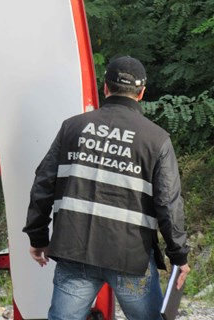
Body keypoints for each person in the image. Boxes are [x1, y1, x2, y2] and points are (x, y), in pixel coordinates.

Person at [23, 56, 190, 320]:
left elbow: (43, 183)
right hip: (130, 256)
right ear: (142, 92)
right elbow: (169, 204)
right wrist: (178, 255)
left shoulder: (73, 127)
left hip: (75, 250)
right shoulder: (156, 139)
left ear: (105, 87)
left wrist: (38, 236)